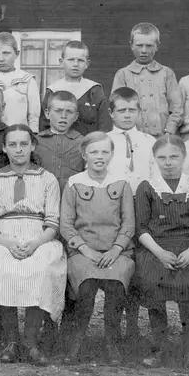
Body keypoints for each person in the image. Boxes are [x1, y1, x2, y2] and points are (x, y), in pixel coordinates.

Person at [0, 125, 67, 365]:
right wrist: (7, 243)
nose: (18, 150)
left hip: (39, 235)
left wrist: (36, 243)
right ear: (4, 147)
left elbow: (52, 222)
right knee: (2, 268)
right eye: (12, 144)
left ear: (32, 146)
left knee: (41, 268)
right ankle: (11, 341)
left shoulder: (47, 179)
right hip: (3, 236)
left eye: (23, 144)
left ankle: (30, 341)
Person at [132, 134, 189, 370]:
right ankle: (160, 348)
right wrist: (160, 253)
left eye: (174, 157)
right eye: (162, 157)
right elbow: (141, 228)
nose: (168, 162)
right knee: (151, 280)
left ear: (183, 157)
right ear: (155, 159)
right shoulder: (147, 187)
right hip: (156, 247)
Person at [59, 131, 135, 364]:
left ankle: (112, 341)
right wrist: (85, 249)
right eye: (93, 152)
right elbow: (66, 225)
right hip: (84, 252)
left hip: (117, 251)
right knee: (87, 286)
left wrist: (115, 250)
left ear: (112, 154)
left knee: (115, 287)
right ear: (84, 154)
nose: (99, 156)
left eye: (104, 151)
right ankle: (76, 341)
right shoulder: (74, 183)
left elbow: (128, 223)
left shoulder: (122, 183)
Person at [112, 23, 183, 137]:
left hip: (162, 137)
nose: (144, 50)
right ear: (131, 45)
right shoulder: (123, 75)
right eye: (139, 45)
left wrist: (169, 130)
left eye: (149, 45)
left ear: (157, 46)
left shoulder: (166, 73)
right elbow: (117, 108)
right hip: (134, 137)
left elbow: (177, 108)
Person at [0, 31, 39, 132]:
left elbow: (34, 116)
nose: (1, 59)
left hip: (19, 135)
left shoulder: (27, 80)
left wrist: (33, 134)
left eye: (6, 53)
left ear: (17, 53)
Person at [40, 41, 106, 135]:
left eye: (80, 60)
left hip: (89, 144)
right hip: (59, 145)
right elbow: (44, 125)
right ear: (61, 62)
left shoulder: (94, 90)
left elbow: (104, 123)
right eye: (71, 59)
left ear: (87, 64)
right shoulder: (52, 90)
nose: (75, 64)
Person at [106, 87, 159, 189]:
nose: (127, 115)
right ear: (111, 113)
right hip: (113, 198)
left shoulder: (149, 141)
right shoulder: (103, 141)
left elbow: (156, 173)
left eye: (132, 110)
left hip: (143, 199)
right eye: (121, 111)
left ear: (139, 111)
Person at [34, 90, 84, 186]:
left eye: (69, 112)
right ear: (47, 113)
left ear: (76, 116)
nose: (63, 116)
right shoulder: (36, 142)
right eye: (58, 111)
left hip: (72, 197)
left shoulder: (83, 143)